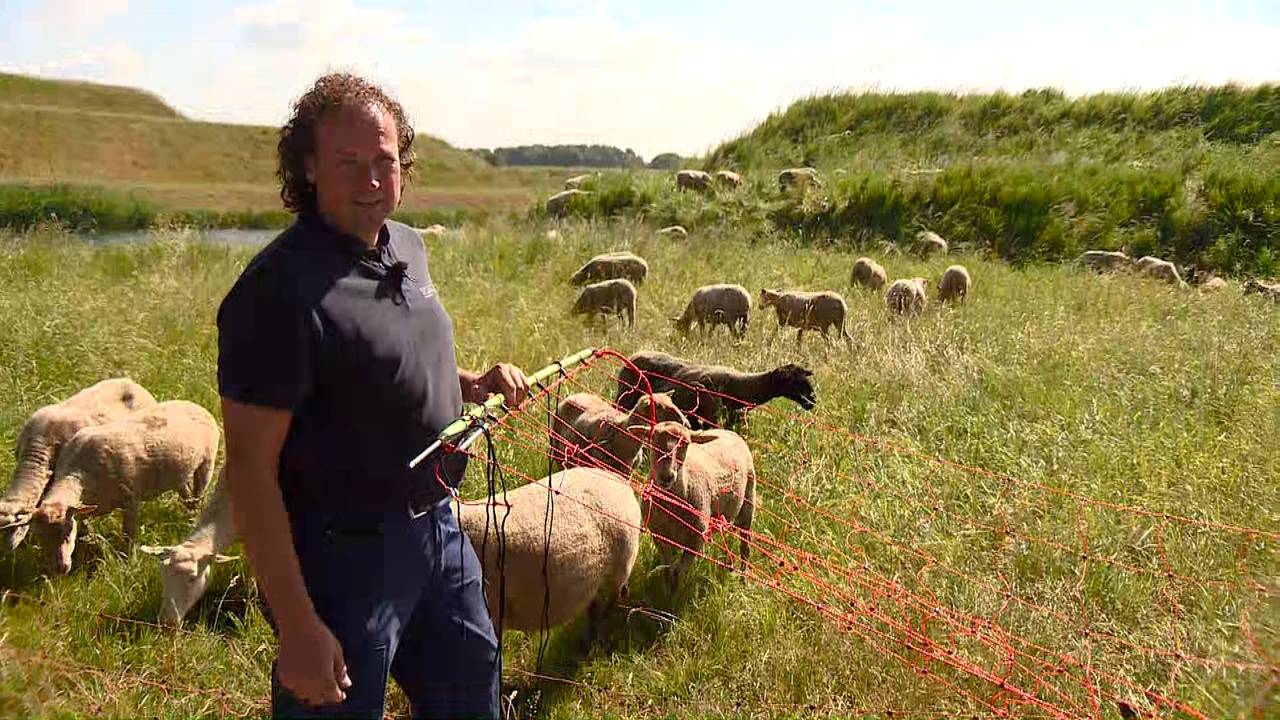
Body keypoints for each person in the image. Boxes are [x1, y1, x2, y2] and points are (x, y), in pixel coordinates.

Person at [216, 72, 529, 719]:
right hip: (344, 558)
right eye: (348, 164)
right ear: (308, 167)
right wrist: (299, 627)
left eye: (385, 161)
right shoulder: (277, 291)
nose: (371, 181)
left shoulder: (408, 247)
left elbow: (384, 365)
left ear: (404, 165)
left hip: (440, 530)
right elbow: (249, 471)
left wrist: (467, 385)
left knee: (473, 693)